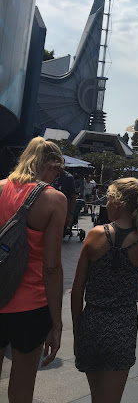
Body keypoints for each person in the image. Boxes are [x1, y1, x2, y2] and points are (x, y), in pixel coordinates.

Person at [71, 178, 138, 403]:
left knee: (96, 396)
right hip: (122, 324)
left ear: (118, 203)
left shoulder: (95, 235)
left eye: (108, 199)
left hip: (92, 321)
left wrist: (77, 329)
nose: (106, 204)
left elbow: (77, 289)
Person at [0, 137, 67, 402]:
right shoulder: (53, 199)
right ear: (51, 164)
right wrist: (57, 323)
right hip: (31, 305)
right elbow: (51, 267)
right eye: (58, 170)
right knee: (22, 383)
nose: (57, 177)